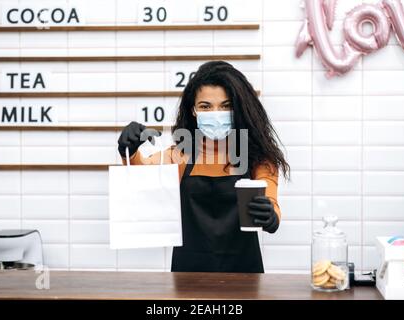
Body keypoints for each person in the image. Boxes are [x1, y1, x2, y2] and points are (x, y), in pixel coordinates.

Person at [117, 61, 289, 273]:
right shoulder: (182, 153)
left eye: (226, 106)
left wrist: (270, 217)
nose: (216, 113)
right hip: (188, 274)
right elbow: (143, 171)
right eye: (206, 106)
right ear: (194, 111)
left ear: (239, 108)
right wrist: (130, 150)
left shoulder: (256, 157)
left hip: (244, 274)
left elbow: (271, 201)